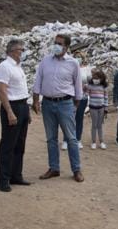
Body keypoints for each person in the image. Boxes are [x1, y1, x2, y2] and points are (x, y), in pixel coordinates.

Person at [32, 34, 84, 182]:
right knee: (51, 139)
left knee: (71, 138)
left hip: (65, 104)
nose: (56, 45)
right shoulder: (45, 61)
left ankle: (76, 170)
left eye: (59, 43)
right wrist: (36, 99)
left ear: (66, 47)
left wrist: (76, 104)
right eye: (55, 43)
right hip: (47, 104)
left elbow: (78, 85)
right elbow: (38, 80)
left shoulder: (73, 63)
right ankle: (54, 168)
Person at [0, 39, 32, 192]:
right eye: (20, 49)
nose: (22, 52)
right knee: (8, 145)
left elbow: (21, 90)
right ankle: (3, 179)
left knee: (20, 144)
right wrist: (9, 111)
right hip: (12, 106)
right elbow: (2, 91)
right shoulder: (4, 67)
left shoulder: (18, 67)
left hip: (22, 105)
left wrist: (27, 111)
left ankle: (16, 175)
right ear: (12, 51)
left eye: (22, 49)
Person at [62, 51, 90, 151]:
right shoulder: (70, 68)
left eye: (80, 57)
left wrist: (87, 87)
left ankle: (78, 140)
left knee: (79, 119)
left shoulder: (87, 69)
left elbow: (90, 81)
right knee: (68, 119)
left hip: (82, 97)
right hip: (70, 97)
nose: (78, 58)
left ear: (83, 58)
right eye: (76, 57)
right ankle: (66, 140)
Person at [87, 68, 108, 150]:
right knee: (94, 125)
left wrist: (106, 108)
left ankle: (102, 141)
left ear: (102, 78)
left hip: (101, 108)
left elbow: (106, 98)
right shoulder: (90, 86)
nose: (96, 80)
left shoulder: (103, 87)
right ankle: (93, 142)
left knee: (100, 125)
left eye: (97, 78)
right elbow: (86, 93)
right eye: (94, 78)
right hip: (93, 108)